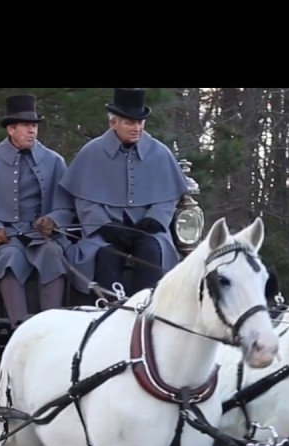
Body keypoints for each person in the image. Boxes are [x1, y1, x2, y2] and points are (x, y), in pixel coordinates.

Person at [58, 87, 191, 299]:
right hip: (105, 232)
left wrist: (154, 220)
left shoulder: (160, 153)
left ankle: (150, 306)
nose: (136, 128)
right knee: (105, 255)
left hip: (148, 231)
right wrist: (105, 225)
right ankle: (108, 309)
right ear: (113, 123)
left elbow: (168, 197)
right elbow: (85, 200)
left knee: (151, 251)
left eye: (140, 122)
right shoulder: (92, 152)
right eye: (130, 122)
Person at [0, 93, 74, 324]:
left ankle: (52, 325)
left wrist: (52, 220)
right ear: (11, 129)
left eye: (34, 126)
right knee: (9, 258)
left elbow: (66, 208)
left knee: (53, 255)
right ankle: (19, 327)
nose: (32, 131)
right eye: (26, 126)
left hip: (41, 236)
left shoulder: (54, 161)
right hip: (8, 237)